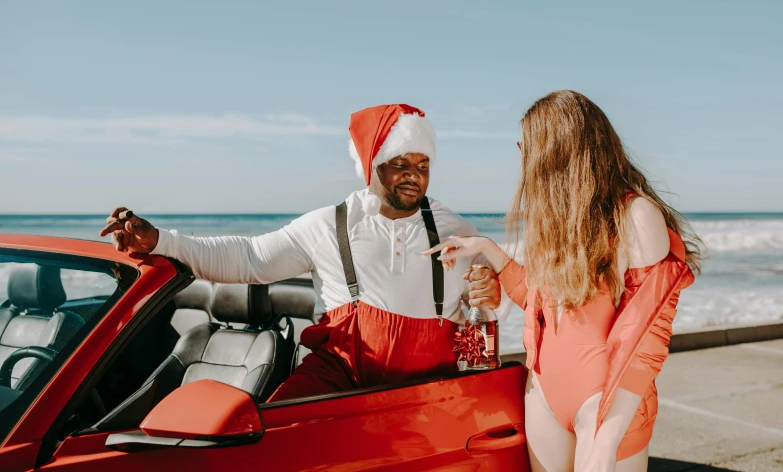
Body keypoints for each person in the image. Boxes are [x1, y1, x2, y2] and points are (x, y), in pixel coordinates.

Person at [100, 103, 512, 402]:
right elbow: (249, 259)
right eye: (400, 163)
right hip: (338, 381)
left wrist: (494, 302)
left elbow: (485, 318)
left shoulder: (459, 231)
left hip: (426, 391)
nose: (414, 176)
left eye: (422, 164)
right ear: (372, 165)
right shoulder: (328, 226)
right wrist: (161, 242)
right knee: (271, 435)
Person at [424, 90, 702, 472]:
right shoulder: (557, 223)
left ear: (554, 148)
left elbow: (647, 340)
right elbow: (541, 306)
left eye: (527, 143)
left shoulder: (636, 216)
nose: (521, 152)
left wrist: (607, 438)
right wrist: (489, 249)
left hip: (605, 404)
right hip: (544, 393)